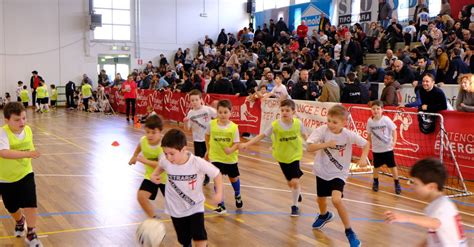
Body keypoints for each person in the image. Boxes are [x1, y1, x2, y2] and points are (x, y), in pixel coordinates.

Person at [306, 105, 370, 247]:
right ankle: (324, 215)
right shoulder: (322, 131)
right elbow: (309, 147)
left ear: (344, 123)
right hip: (321, 170)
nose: (330, 124)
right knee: (320, 199)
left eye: (334, 122)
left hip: (339, 173)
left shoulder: (348, 135)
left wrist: (363, 158)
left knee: (336, 200)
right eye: (328, 120)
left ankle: (350, 232)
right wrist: (326, 144)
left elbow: (366, 144)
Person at [150, 129, 223, 247]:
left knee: (200, 239)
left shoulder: (197, 162)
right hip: (175, 208)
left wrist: (219, 193)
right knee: (184, 241)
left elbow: (217, 174)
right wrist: (154, 175)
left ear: (184, 149)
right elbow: (161, 166)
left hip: (195, 206)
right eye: (165, 153)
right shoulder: (166, 161)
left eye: (172, 154)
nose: (168, 157)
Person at [240, 99, 305, 216]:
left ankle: (294, 206)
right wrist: (247, 144)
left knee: (295, 181)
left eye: (287, 110)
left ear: (293, 112)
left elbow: (306, 136)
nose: (284, 112)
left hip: (295, 155)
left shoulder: (298, 124)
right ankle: (297, 192)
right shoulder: (275, 125)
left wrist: (315, 144)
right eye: (282, 110)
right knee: (291, 183)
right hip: (281, 156)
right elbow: (262, 135)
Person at [384, 158, 467, 247]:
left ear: (432, 187)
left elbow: (435, 223)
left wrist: (405, 217)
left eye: (415, 184)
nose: (412, 186)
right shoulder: (435, 205)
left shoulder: (443, 206)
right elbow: (434, 234)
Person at [0, 102, 42, 246]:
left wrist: (30, 154)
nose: (22, 122)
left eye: (24, 118)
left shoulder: (28, 130)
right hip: (5, 178)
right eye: (17, 120)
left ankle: (31, 233)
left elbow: (29, 147)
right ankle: (19, 220)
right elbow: (4, 153)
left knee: (30, 203)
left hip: (26, 173)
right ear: (7, 120)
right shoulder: (3, 132)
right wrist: (28, 153)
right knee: (11, 207)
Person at [205, 100, 242, 214]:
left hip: (230, 159)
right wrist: (208, 150)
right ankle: (221, 205)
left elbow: (237, 143)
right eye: (220, 112)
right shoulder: (212, 124)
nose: (222, 114)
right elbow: (207, 136)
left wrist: (231, 149)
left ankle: (237, 194)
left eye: (225, 112)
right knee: (217, 180)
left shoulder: (234, 127)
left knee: (233, 178)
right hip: (216, 157)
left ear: (230, 113)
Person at [129, 115, 167, 218]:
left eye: (153, 132)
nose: (150, 135)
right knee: (141, 196)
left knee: (174, 206)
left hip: (166, 179)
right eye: (147, 132)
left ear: (160, 132)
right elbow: (139, 146)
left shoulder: (163, 146)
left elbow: (161, 165)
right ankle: (153, 219)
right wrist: (134, 156)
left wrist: (143, 160)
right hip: (151, 176)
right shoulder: (143, 140)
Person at [184, 89, 217, 186]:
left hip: (208, 139)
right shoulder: (190, 113)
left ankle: (211, 175)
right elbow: (187, 129)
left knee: (208, 158)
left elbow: (218, 116)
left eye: (196, 100)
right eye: (192, 100)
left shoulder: (207, 109)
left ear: (201, 99)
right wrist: (185, 122)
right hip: (197, 140)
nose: (194, 102)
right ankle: (203, 176)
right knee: (199, 160)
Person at [367, 100, 401, 194]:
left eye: (378, 108)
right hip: (376, 150)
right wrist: (369, 144)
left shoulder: (386, 119)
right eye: (373, 109)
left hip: (387, 149)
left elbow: (394, 130)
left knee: (392, 167)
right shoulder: (370, 121)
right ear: (371, 110)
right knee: (376, 167)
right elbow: (369, 134)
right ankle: (375, 182)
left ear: (382, 110)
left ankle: (397, 183)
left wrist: (394, 142)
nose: (376, 110)